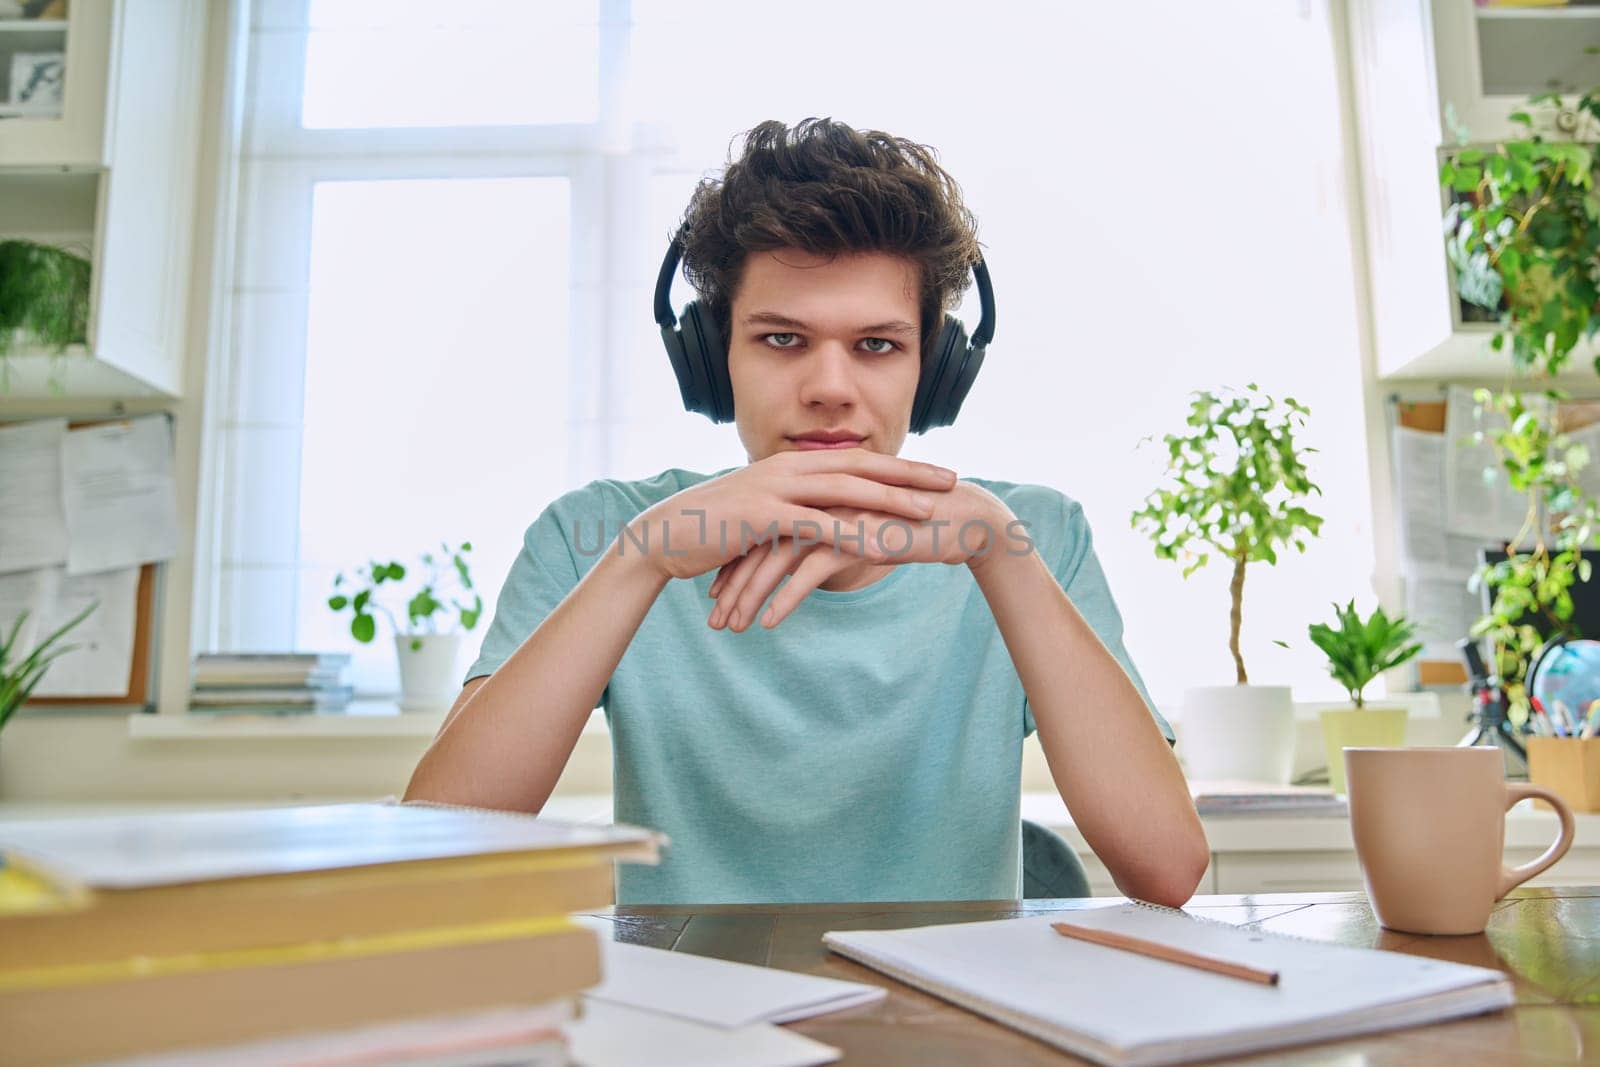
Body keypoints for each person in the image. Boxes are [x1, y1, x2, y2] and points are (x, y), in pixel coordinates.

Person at [405, 118, 1208, 907]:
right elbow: (435, 857)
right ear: (714, 358)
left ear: (935, 371)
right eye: (783, 339)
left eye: (878, 345)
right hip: (694, 1027)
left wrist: (1001, 555)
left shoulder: (1033, 535)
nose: (830, 386)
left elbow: (1168, 869)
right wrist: (641, 559)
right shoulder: (601, 530)